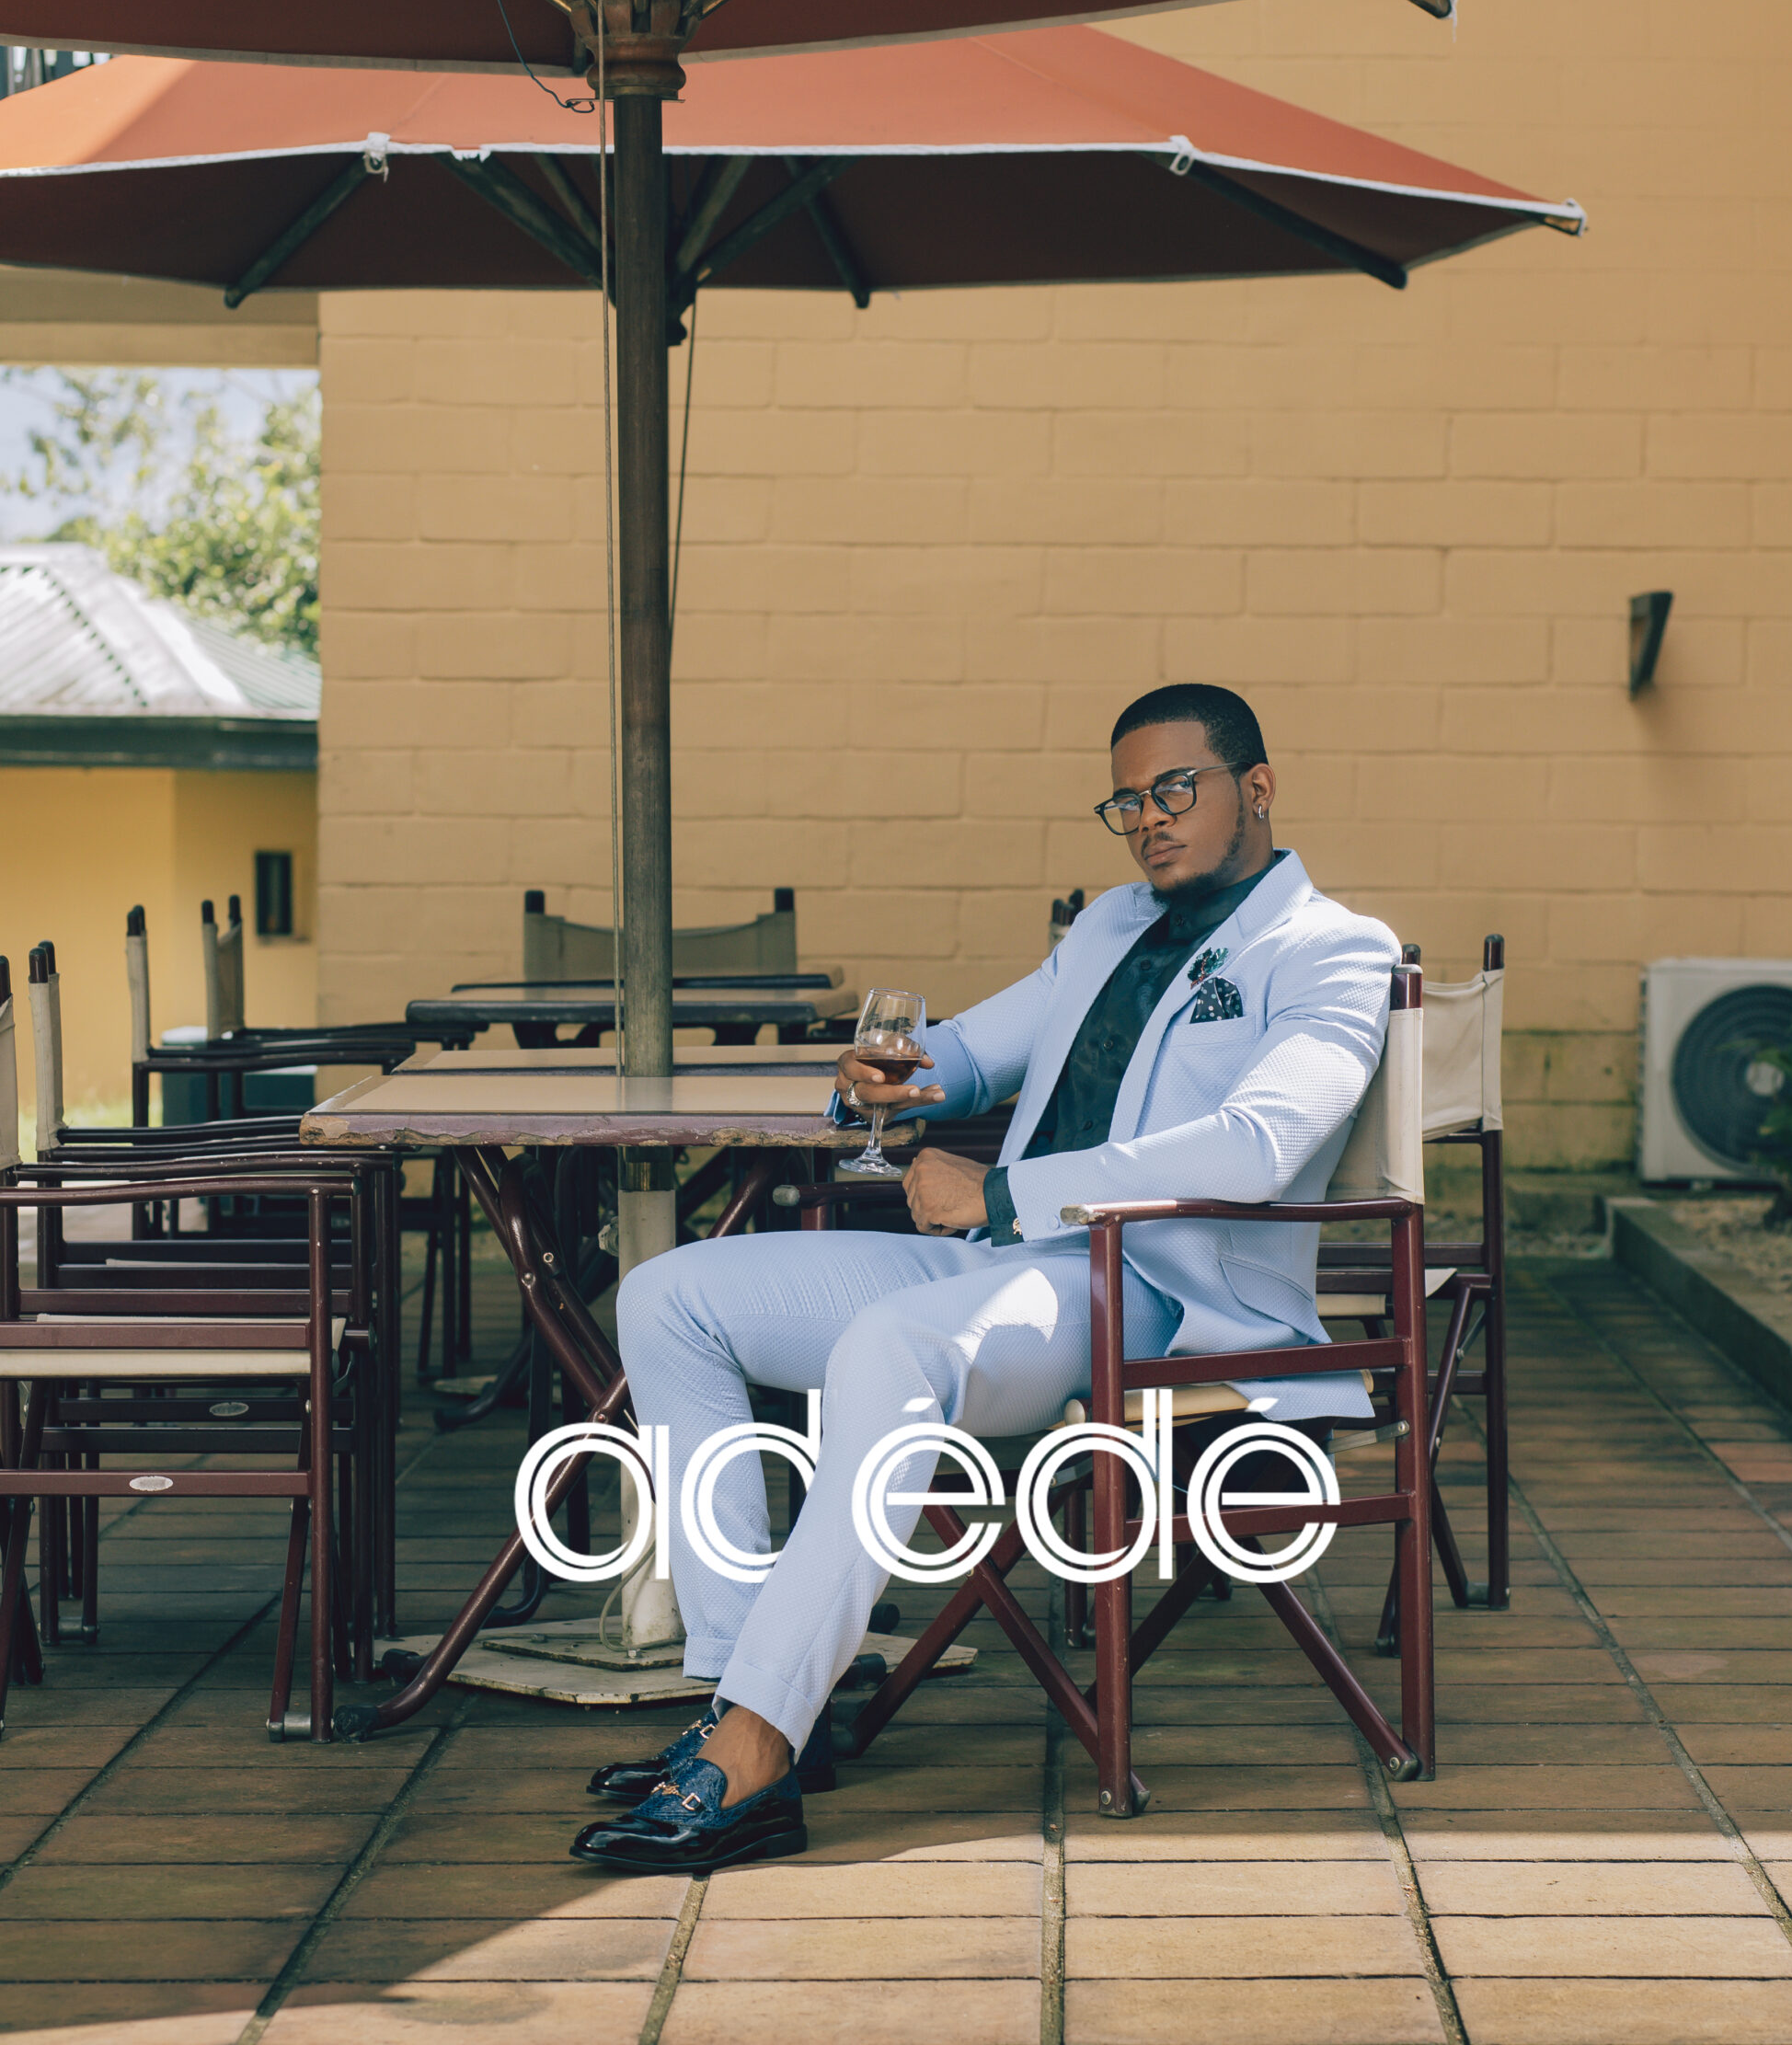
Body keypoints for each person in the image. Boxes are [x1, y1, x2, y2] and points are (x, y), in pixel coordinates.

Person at [571, 683, 1397, 1876]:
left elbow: (1258, 1147)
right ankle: (752, 1692)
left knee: (893, 1347)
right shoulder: (1112, 925)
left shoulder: (1332, 948)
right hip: (1009, 1266)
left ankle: (753, 1747)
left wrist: (1008, 1192)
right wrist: (897, 1076)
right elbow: (975, 1050)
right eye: (1128, 801)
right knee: (669, 1297)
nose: (1150, 820)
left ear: (1256, 788)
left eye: (1176, 790)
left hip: (1157, 1298)